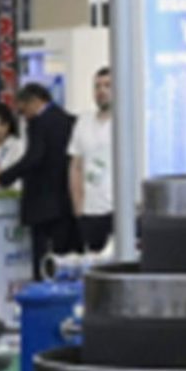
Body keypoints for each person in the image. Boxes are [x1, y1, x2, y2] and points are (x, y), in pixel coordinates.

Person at [0, 82, 79, 274]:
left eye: (23, 111)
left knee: (43, 262)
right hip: (66, 201)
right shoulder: (70, 120)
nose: (23, 117)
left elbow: (34, 157)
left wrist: (2, 178)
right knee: (65, 261)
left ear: (35, 102)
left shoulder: (38, 124)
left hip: (42, 203)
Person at [69, 66, 116, 253]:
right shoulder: (83, 121)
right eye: (97, 86)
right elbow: (76, 165)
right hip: (89, 209)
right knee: (93, 259)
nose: (101, 91)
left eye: (107, 85)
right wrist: (77, 205)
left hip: (118, 208)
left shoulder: (126, 120)